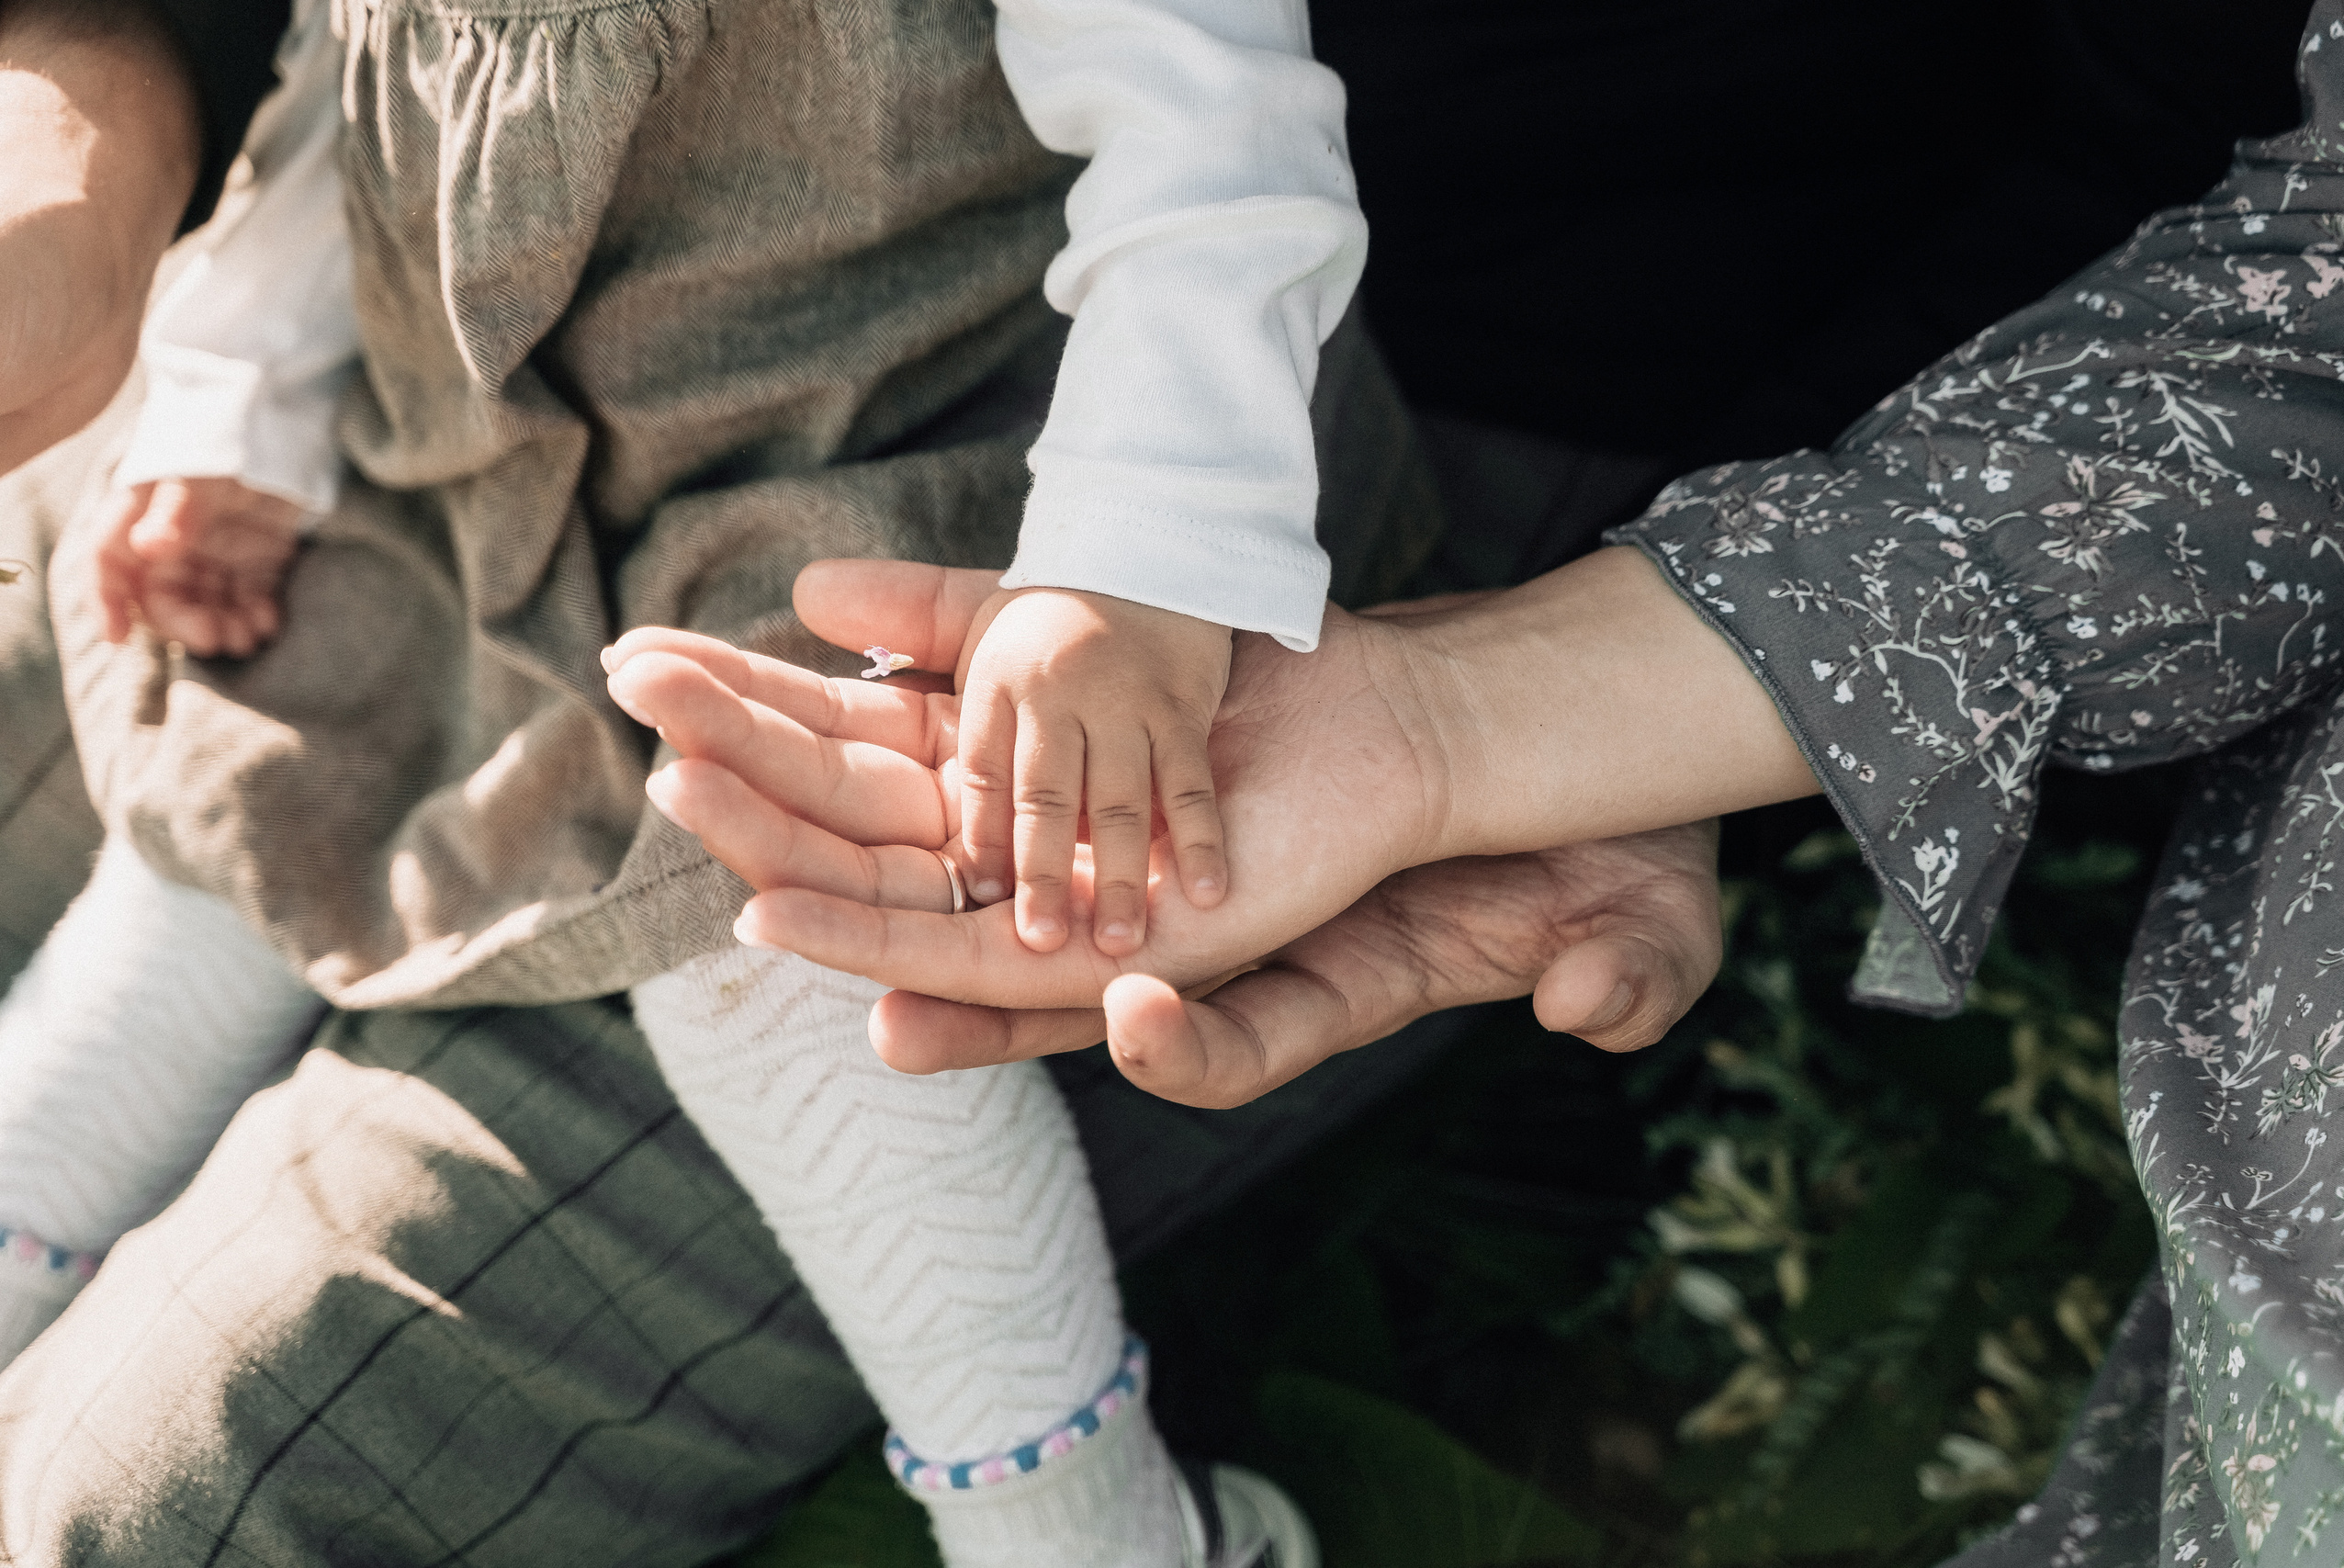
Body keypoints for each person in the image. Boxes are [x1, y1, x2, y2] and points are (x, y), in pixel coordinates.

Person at [623, 6, 2344, 1562]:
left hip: (1378, 417)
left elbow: (1198, 105)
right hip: (519, 525)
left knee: (776, 947)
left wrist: (1164, 554)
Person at [0, 0, 1472, 1562]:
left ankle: (1084, 1529)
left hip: (918, 443)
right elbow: (366, 82)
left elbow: (1212, 139)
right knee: (229, 813)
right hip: (488, 452)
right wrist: (244, 396)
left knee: (793, 937)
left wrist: (1134, 564)